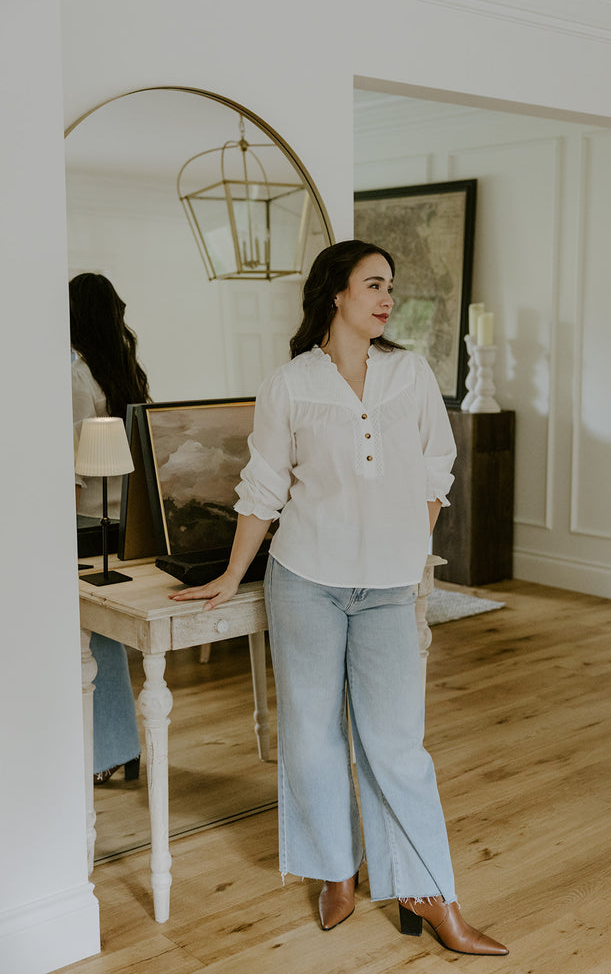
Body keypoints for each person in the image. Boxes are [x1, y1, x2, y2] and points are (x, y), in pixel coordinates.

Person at [169, 241, 508, 956]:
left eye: (390, 285)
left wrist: (401, 545)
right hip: (306, 582)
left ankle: (429, 892)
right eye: (372, 284)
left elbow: (435, 468)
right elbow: (262, 489)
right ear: (335, 294)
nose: (386, 298)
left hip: (387, 590)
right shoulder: (290, 383)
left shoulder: (407, 374)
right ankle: (334, 871)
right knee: (313, 738)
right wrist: (234, 575)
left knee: (397, 747)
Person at [71, 272, 150, 785]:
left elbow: (74, 465)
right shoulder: (125, 372)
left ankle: (112, 750)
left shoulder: (77, 376)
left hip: (86, 519)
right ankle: (120, 748)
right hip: (125, 521)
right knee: (104, 637)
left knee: (90, 640)